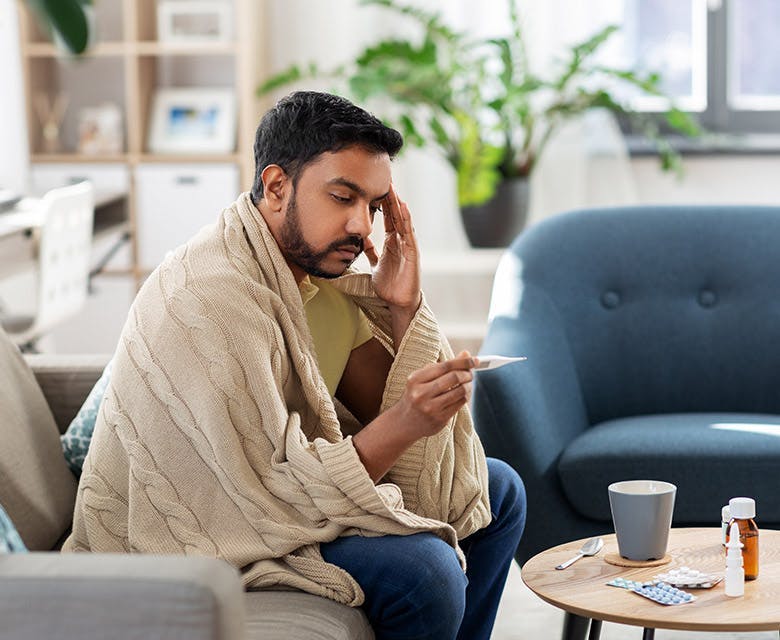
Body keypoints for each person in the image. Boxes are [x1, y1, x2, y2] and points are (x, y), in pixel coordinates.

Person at [64, 91, 526, 640]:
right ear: (277, 186)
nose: (363, 227)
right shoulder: (211, 295)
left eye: (375, 206)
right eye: (342, 197)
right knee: (425, 571)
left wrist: (402, 307)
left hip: (290, 495)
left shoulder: (322, 284)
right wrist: (406, 419)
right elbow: (256, 491)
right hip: (206, 529)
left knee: (499, 492)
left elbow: (390, 415)